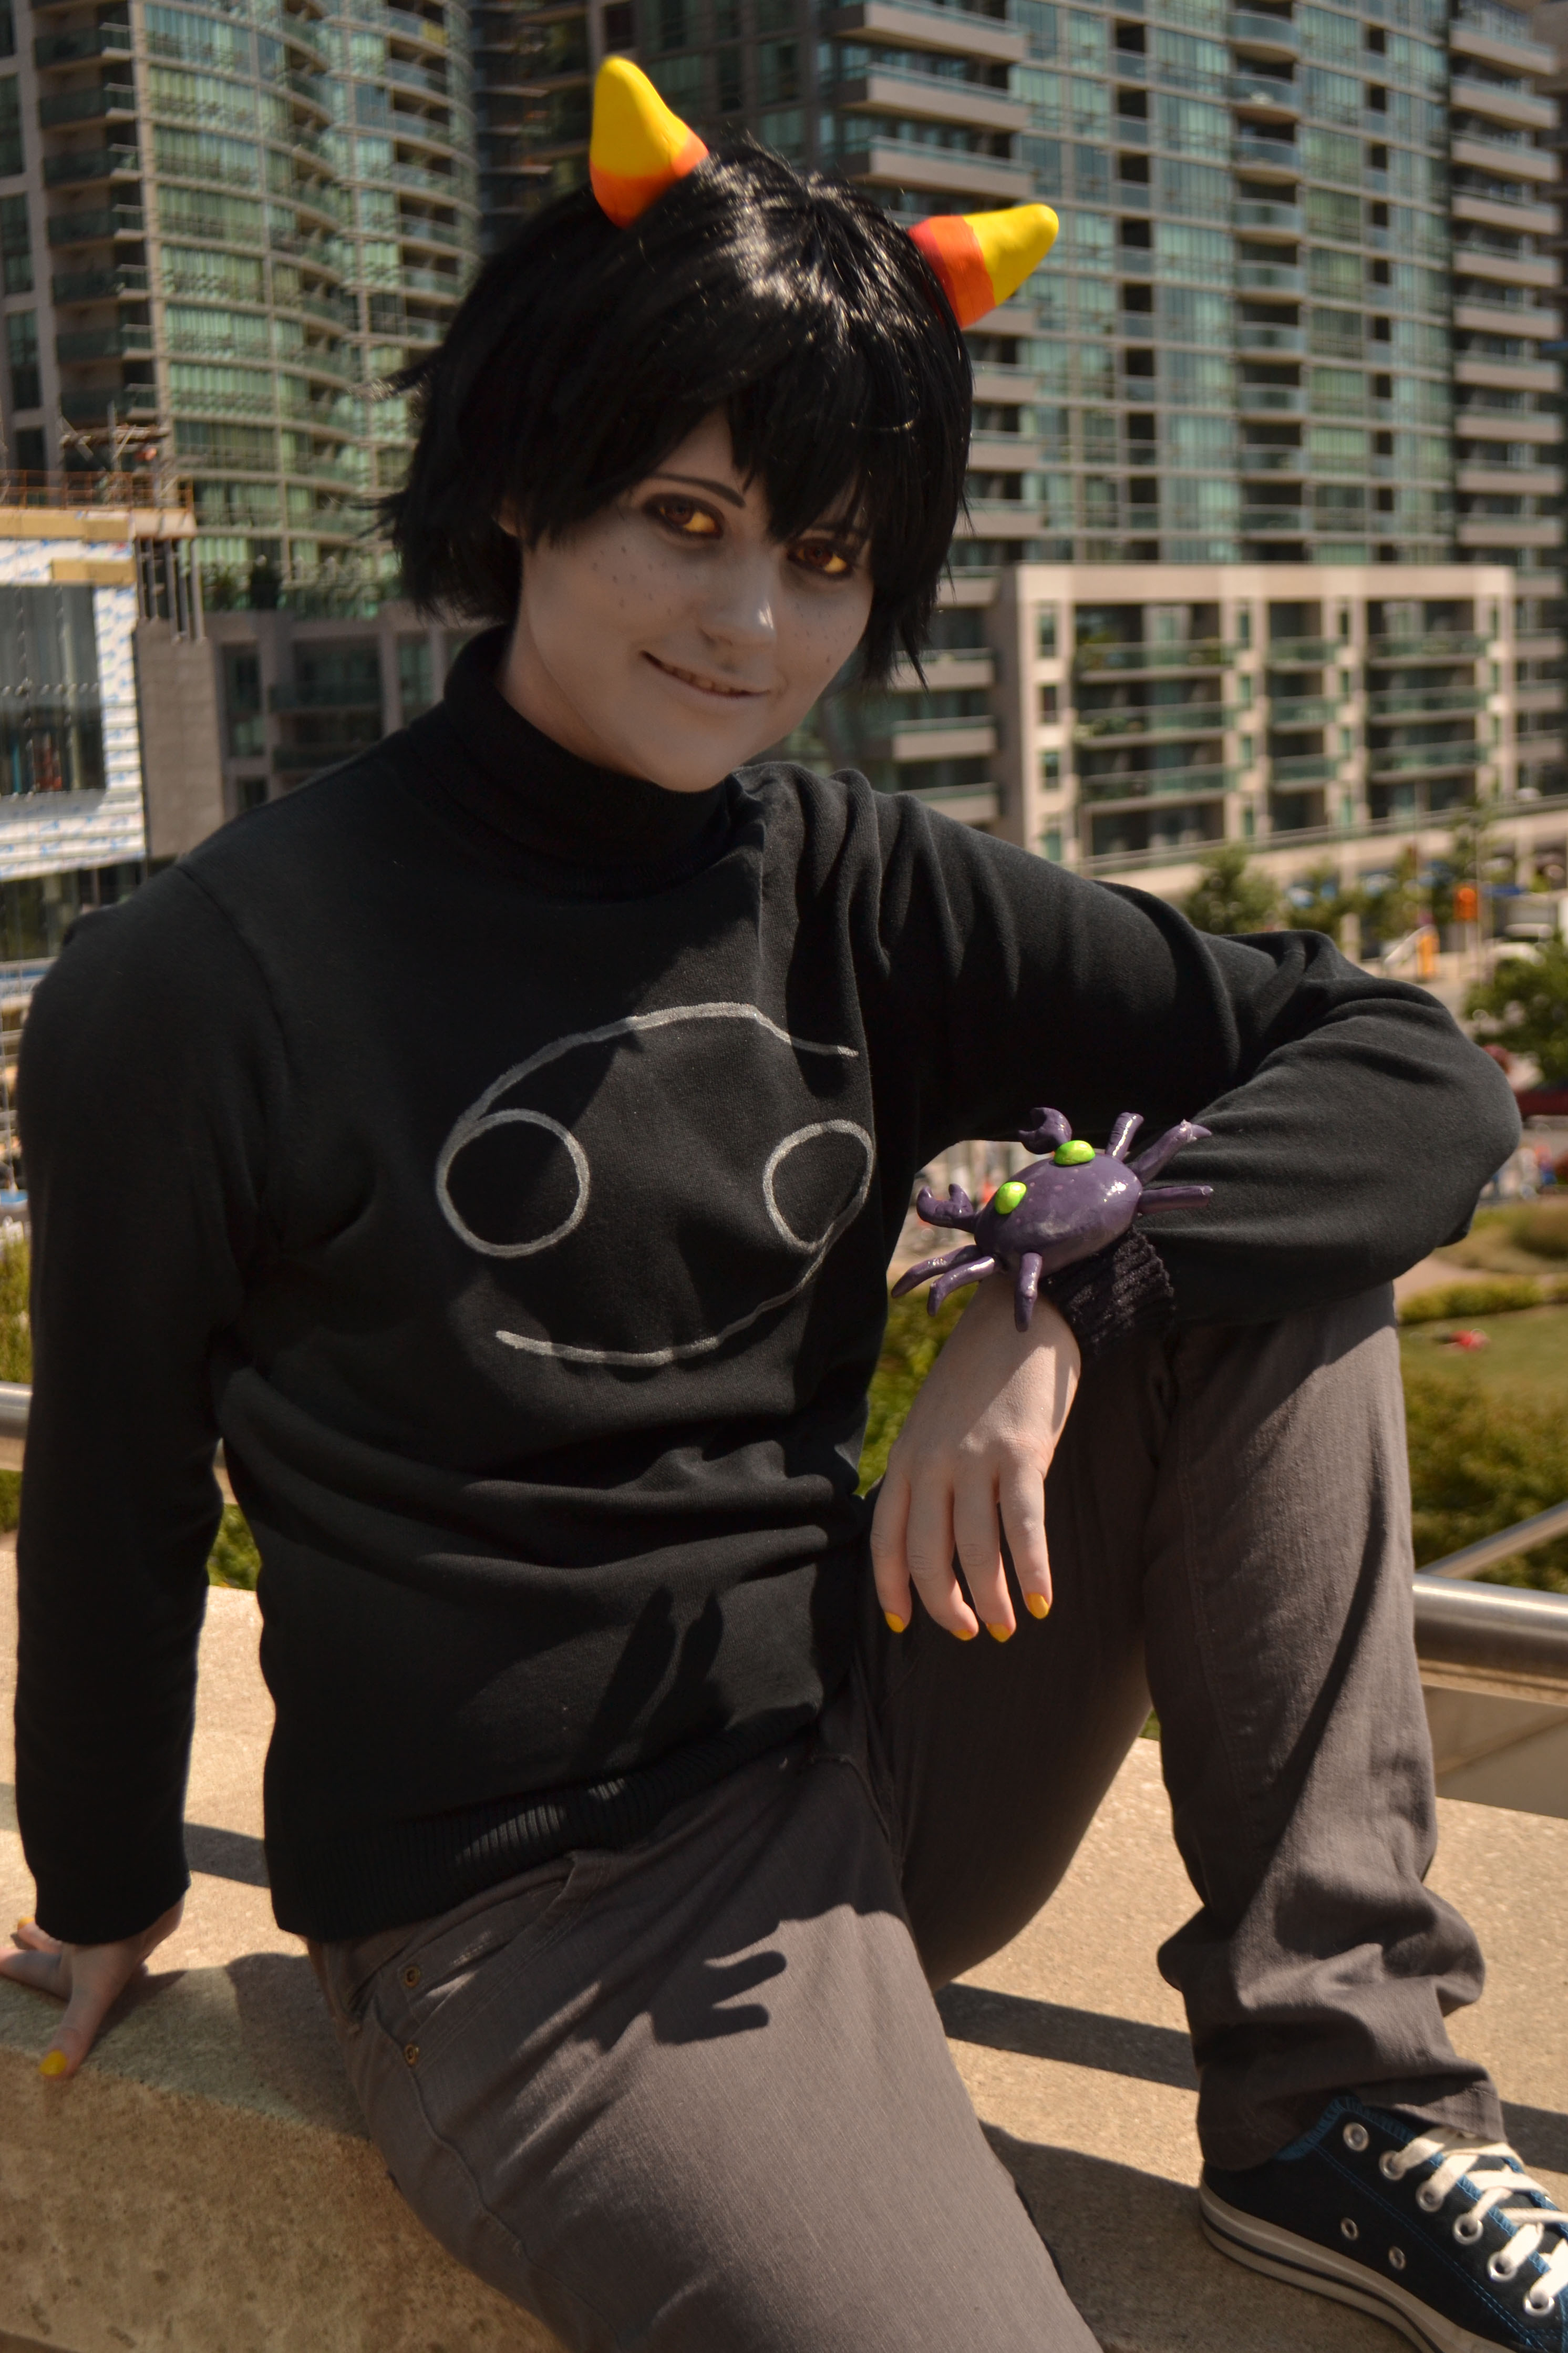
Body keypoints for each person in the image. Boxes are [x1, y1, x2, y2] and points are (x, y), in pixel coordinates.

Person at [6, 60, 1564, 2353]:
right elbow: (117, 1488)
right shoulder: (208, 979)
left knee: (1258, 1251)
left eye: (825, 557)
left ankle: (1340, 2099)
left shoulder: (853, 881)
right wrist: (104, 1880)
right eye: (683, 515)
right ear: (523, 477)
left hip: (882, 1736)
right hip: (540, 1915)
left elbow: (1408, 1073)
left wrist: (1062, 1284)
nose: (750, 618)